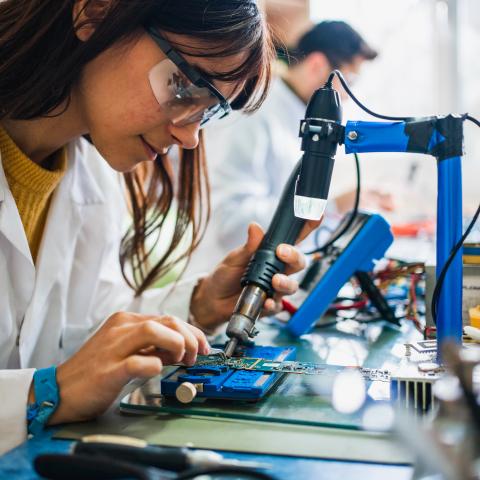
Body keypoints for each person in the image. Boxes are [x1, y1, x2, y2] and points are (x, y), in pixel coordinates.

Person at [0, 0, 317, 454]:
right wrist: (47, 392)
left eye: (209, 111)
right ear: (96, 13)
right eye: (186, 84)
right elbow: (59, 374)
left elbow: (88, 327)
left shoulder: (92, 178)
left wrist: (203, 302)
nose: (190, 138)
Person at [186, 21, 392, 275]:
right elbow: (230, 222)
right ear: (317, 65)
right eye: (348, 80)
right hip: (221, 282)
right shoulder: (252, 113)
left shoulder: (296, 113)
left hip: (271, 279)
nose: (348, 95)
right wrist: (330, 206)